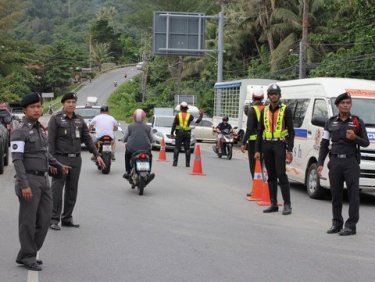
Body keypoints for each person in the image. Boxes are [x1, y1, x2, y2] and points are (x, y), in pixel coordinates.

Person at [11, 93, 70, 271]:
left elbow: (45, 153)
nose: (37, 110)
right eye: (33, 107)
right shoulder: (19, 131)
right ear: (24, 110)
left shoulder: (39, 129)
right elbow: (17, 160)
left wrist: (59, 165)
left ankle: (26, 253)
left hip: (44, 180)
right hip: (29, 180)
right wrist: (24, 184)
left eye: (39, 106)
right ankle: (29, 256)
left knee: (45, 220)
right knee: (28, 221)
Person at [48, 92, 105, 230]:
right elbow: (50, 142)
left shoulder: (79, 120)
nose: (71, 104)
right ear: (63, 103)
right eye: (68, 102)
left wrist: (97, 154)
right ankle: (54, 219)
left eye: (73, 102)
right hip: (60, 159)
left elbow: (87, 138)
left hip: (76, 160)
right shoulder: (55, 119)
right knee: (57, 190)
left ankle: (67, 218)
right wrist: (52, 162)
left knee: (72, 190)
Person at [317, 92, 369, 236]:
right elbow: (324, 143)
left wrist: (355, 137)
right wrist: (320, 162)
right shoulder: (330, 122)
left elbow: (366, 143)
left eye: (348, 103)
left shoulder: (358, 122)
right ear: (338, 105)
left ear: (350, 105)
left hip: (351, 161)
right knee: (335, 194)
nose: (345, 105)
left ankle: (351, 226)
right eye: (343, 103)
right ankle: (336, 223)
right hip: (335, 162)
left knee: (353, 195)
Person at [254, 83, 295, 215]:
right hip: (267, 145)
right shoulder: (264, 110)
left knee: (281, 174)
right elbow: (260, 131)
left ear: (279, 95)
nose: (273, 96)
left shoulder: (285, 110)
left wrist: (290, 149)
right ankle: (273, 203)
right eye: (271, 94)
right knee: (270, 175)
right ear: (268, 96)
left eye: (275, 94)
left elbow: (291, 131)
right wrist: (257, 150)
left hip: (279, 145)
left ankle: (287, 204)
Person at [241, 88, 265, 197]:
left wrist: (243, 142)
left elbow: (249, 128)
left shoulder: (252, 110)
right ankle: (264, 188)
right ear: (262, 98)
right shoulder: (267, 108)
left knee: (254, 166)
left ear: (253, 97)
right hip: (266, 141)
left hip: (254, 142)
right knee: (262, 165)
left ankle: (256, 189)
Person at [123, 109, 155, 183]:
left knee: (127, 155)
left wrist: (124, 140)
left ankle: (128, 171)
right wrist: (151, 142)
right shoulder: (148, 127)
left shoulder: (130, 127)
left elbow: (125, 138)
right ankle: (148, 172)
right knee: (149, 156)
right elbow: (152, 139)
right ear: (144, 118)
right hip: (146, 149)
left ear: (134, 117)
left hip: (132, 149)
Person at [171, 102, 203, 167]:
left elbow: (174, 124)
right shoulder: (189, 116)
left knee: (177, 148)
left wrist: (172, 133)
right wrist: (201, 116)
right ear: (186, 109)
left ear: (180, 108)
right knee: (187, 149)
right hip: (187, 133)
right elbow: (197, 121)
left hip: (179, 133)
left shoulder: (178, 115)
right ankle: (187, 164)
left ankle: (175, 163)